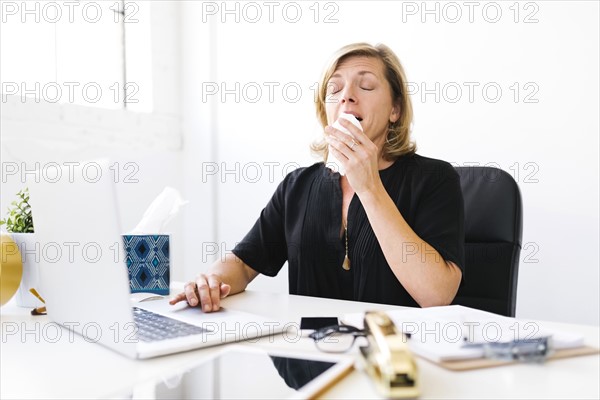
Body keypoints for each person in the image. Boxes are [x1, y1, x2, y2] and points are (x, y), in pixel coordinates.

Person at [170, 43, 464, 313]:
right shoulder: (297, 186)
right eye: (334, 90)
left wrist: (369, 187)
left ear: (395, 109)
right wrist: (210, 281)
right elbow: (244, 263)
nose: (346, 95)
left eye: (366, 85)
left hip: (394, 360)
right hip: (311, 359)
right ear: (326, 112)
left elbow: (436, 295)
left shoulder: (434, 179)